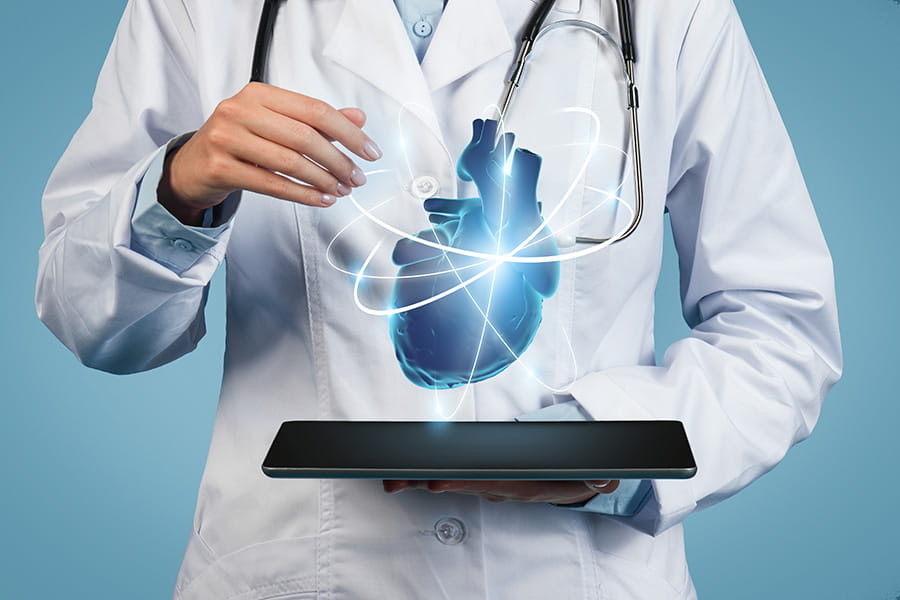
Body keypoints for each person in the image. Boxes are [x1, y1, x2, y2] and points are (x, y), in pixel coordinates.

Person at [36, 0, 842, 598]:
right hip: (295, 571)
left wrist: (599, 449)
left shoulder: (670, 14)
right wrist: (178, 188)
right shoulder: (200, 11)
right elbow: (90, 321)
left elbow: (780, 329)